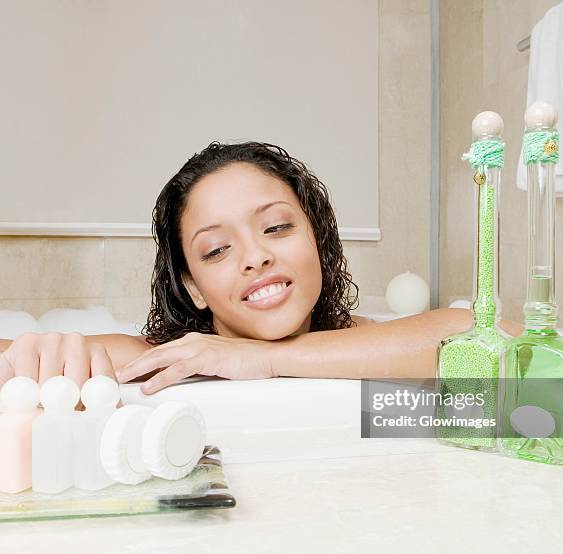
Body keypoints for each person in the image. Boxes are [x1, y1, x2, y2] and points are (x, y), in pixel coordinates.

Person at [0, 142, 521, 394]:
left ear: (316, 239)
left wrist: (264, 359)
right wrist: (40, 355)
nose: (255, 257)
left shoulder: (367, 343)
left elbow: (495, 337)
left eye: (275, 228)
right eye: (216, 251)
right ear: (194, 287)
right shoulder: (162, 362)